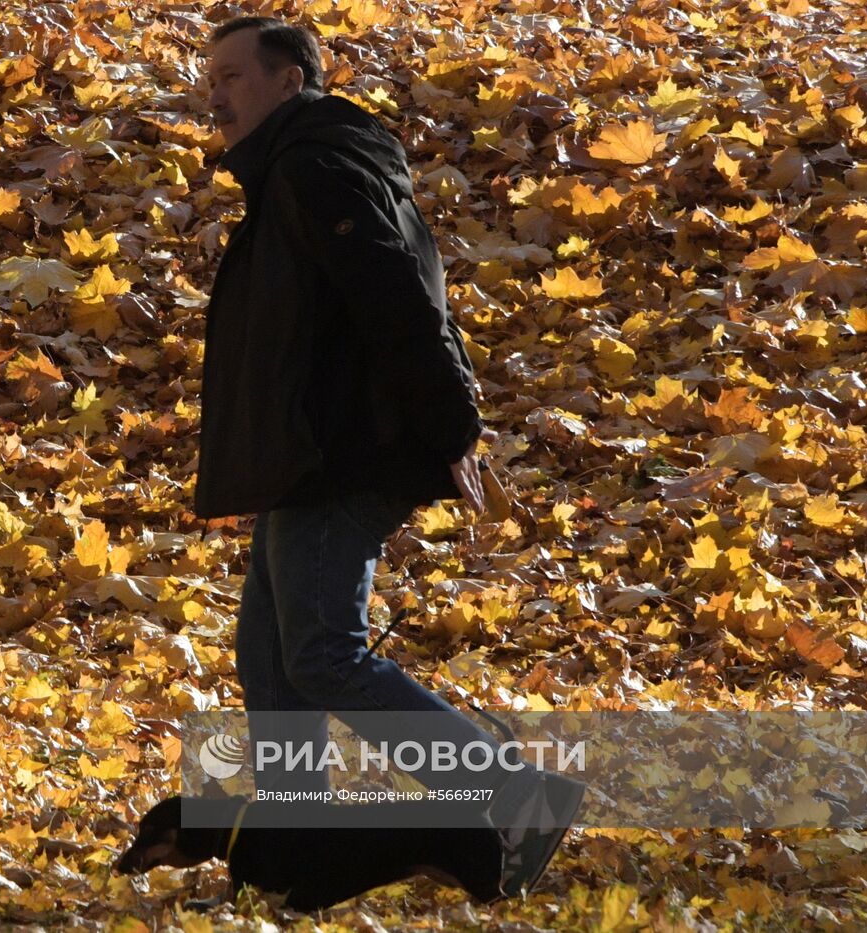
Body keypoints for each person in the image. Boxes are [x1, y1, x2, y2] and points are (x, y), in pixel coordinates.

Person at [194, 15, 585, 899]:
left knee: (322, 656)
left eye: (230, 76)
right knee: (269, 654)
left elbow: (399, 299)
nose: (213, 96)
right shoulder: (307, 166)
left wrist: (452, 426)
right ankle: (295, 850)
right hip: (309, 457)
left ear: (290, 80)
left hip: (345, 454)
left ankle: (513, 791)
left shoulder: (313, 167)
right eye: (205, 79)